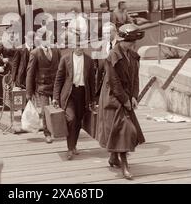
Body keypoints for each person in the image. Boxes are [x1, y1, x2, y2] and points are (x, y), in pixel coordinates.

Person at [97, 24, 145, 180]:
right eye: (130, 41)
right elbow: (114, 82)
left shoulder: (133, 56)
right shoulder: (112, 56)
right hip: (113, 98)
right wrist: (125, 100)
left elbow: (135, 78)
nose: (133, 45)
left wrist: (133, 97)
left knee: (118, 130)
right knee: (124, 130)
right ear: (122, 40)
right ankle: (124, 166)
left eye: (134, 42)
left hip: (125, 97)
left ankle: (113, 157)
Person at [52, 25, 95, 160]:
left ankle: (74, 145)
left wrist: (93, 100)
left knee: (78, 121)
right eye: (77, 45)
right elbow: (58, 80)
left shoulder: (89, 60)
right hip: (69, 94)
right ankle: (69, 148)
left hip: (83, 94)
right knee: (71, 119)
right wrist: (55, 97)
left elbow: (92, 82)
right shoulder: (65, 59)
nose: (80, 48)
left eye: (82, 45)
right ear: (73, 45)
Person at [26, 29, 61, 143]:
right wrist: (29, 92)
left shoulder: (56, 51)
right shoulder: (35, 53)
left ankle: (58, 130)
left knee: (58, 108)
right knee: (45, 110)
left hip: (56, 86)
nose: (51, 41)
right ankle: (47, 133)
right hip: (42, 87)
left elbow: (61, 69)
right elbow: (30, 73)